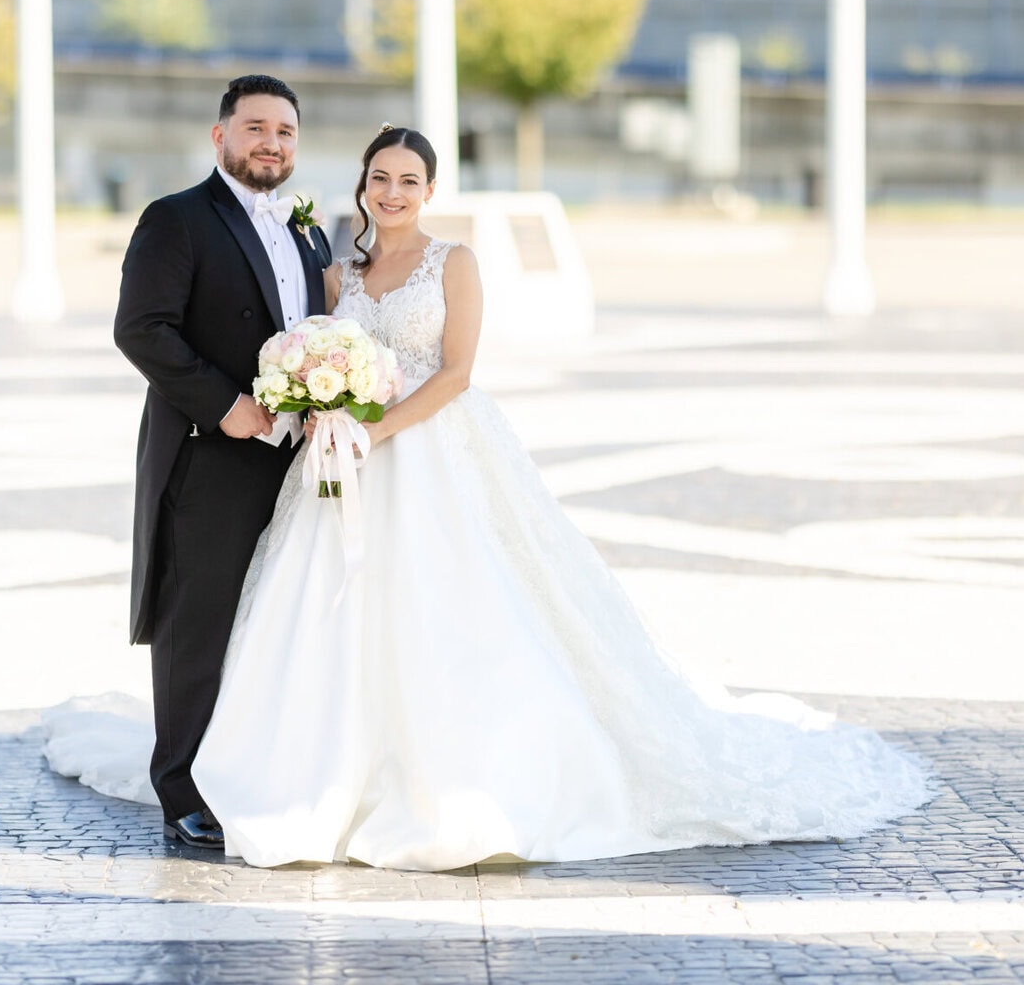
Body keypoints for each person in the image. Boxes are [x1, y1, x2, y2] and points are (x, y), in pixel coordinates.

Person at [55, 125, 930, 871]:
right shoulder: (336, 275)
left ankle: (455, 778)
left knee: (456, 610)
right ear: (360, 186)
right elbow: (310, 347)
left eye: (409, 181)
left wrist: (374, 430)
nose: (392, 192)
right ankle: (299, 771)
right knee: (322, 613)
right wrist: (322, 410)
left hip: (429, 453)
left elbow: (460, 374)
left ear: (429, 190)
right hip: (339, 464)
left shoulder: (455, 264)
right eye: (380, 179)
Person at [109, 74, 331, 850]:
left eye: (285, 133)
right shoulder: (176, 220)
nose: (272, 143)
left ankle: (251, 771)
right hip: (212, 456)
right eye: (256, 128)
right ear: (220, 136)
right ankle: (183, 788)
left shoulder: (310, 231)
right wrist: (226, 405)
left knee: (275, 621)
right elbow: (142, 329)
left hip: (295, 463)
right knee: (197, 622)